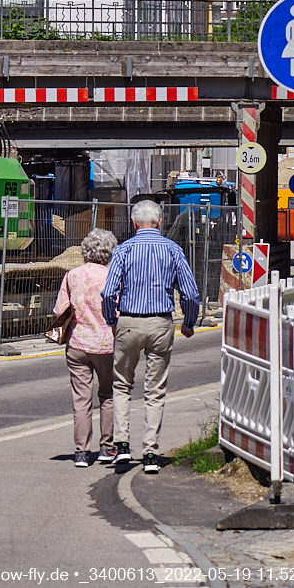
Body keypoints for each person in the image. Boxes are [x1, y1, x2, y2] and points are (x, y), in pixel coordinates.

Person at [101, 198, 199, 475]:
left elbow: (108, 293)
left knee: (122, 385)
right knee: (155, 390)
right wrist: (189, 322)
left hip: (129, 321)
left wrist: (112, 320)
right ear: (160, 222)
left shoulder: (123, 250)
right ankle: (151, 452)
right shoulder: (173, 250)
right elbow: (190, 293)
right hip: (160, 322)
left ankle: (121, 444)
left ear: (133, 223)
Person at [53, 228, 118, 468]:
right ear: (110, 252)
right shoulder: (113, 276)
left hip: (78, 344)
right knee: (107, 395)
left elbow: (60, 310)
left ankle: (81, 452)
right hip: (106, 344)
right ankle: (107, 447)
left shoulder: (72, 275)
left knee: (81, 399)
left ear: (85, 251)